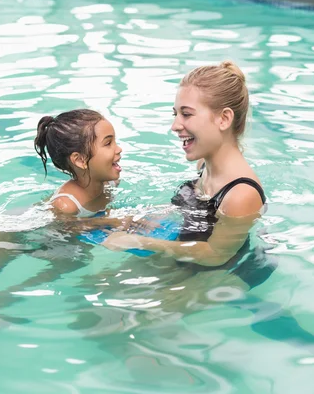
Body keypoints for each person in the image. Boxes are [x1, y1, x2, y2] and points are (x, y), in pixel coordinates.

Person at [0, 109, 148, 361]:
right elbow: (66, 227)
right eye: (108, 143)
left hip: (39, 234)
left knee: (73, 261)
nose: (119, 149)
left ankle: (2, 300)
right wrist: (113, 221)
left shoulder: (109, 182)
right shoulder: (67, 203)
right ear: (80, 160)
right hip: (2, 234)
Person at [104, 61, 272, 282]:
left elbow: (215, 254)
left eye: (186, 114)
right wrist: (141, 216)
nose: (175, 125)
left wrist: (142, 242)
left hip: (221, 275)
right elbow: (192, 212)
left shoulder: (241, 194)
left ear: (224, 119)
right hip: (184, 259)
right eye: (175, 114)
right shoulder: (204, 165)